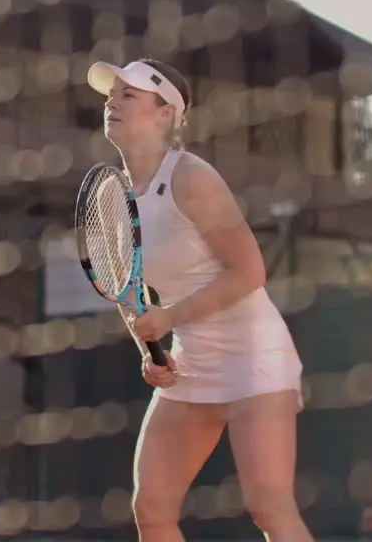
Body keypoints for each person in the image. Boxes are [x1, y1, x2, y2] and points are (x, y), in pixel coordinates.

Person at [86, 57, 314, 542]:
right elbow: (132, 294)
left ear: (166, 113)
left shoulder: (192, 178)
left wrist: (172, 317)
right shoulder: (114, 198)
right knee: (151, 509)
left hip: (257, 359)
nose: (113, 102)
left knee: (268, 508)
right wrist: (149, 352)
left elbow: (249, 270)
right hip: (192, 366)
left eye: (129, 95)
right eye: (111, 94)